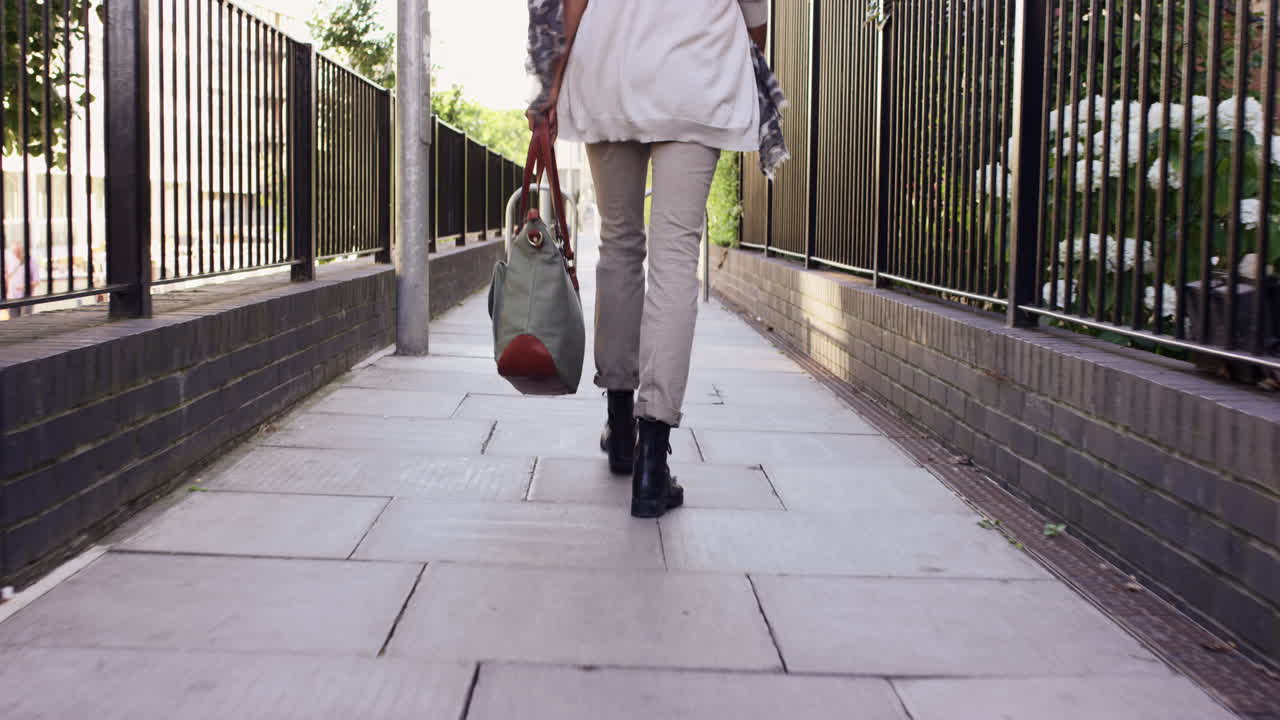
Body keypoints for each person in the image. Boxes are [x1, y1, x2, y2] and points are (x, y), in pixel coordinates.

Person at [527, 0, 770, 518]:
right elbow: (755, 17)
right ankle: (652, 466)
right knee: (676, 259)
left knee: (618, 246)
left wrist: (549, 87)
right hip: (698, 73)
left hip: (609, 69)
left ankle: (620, 430)